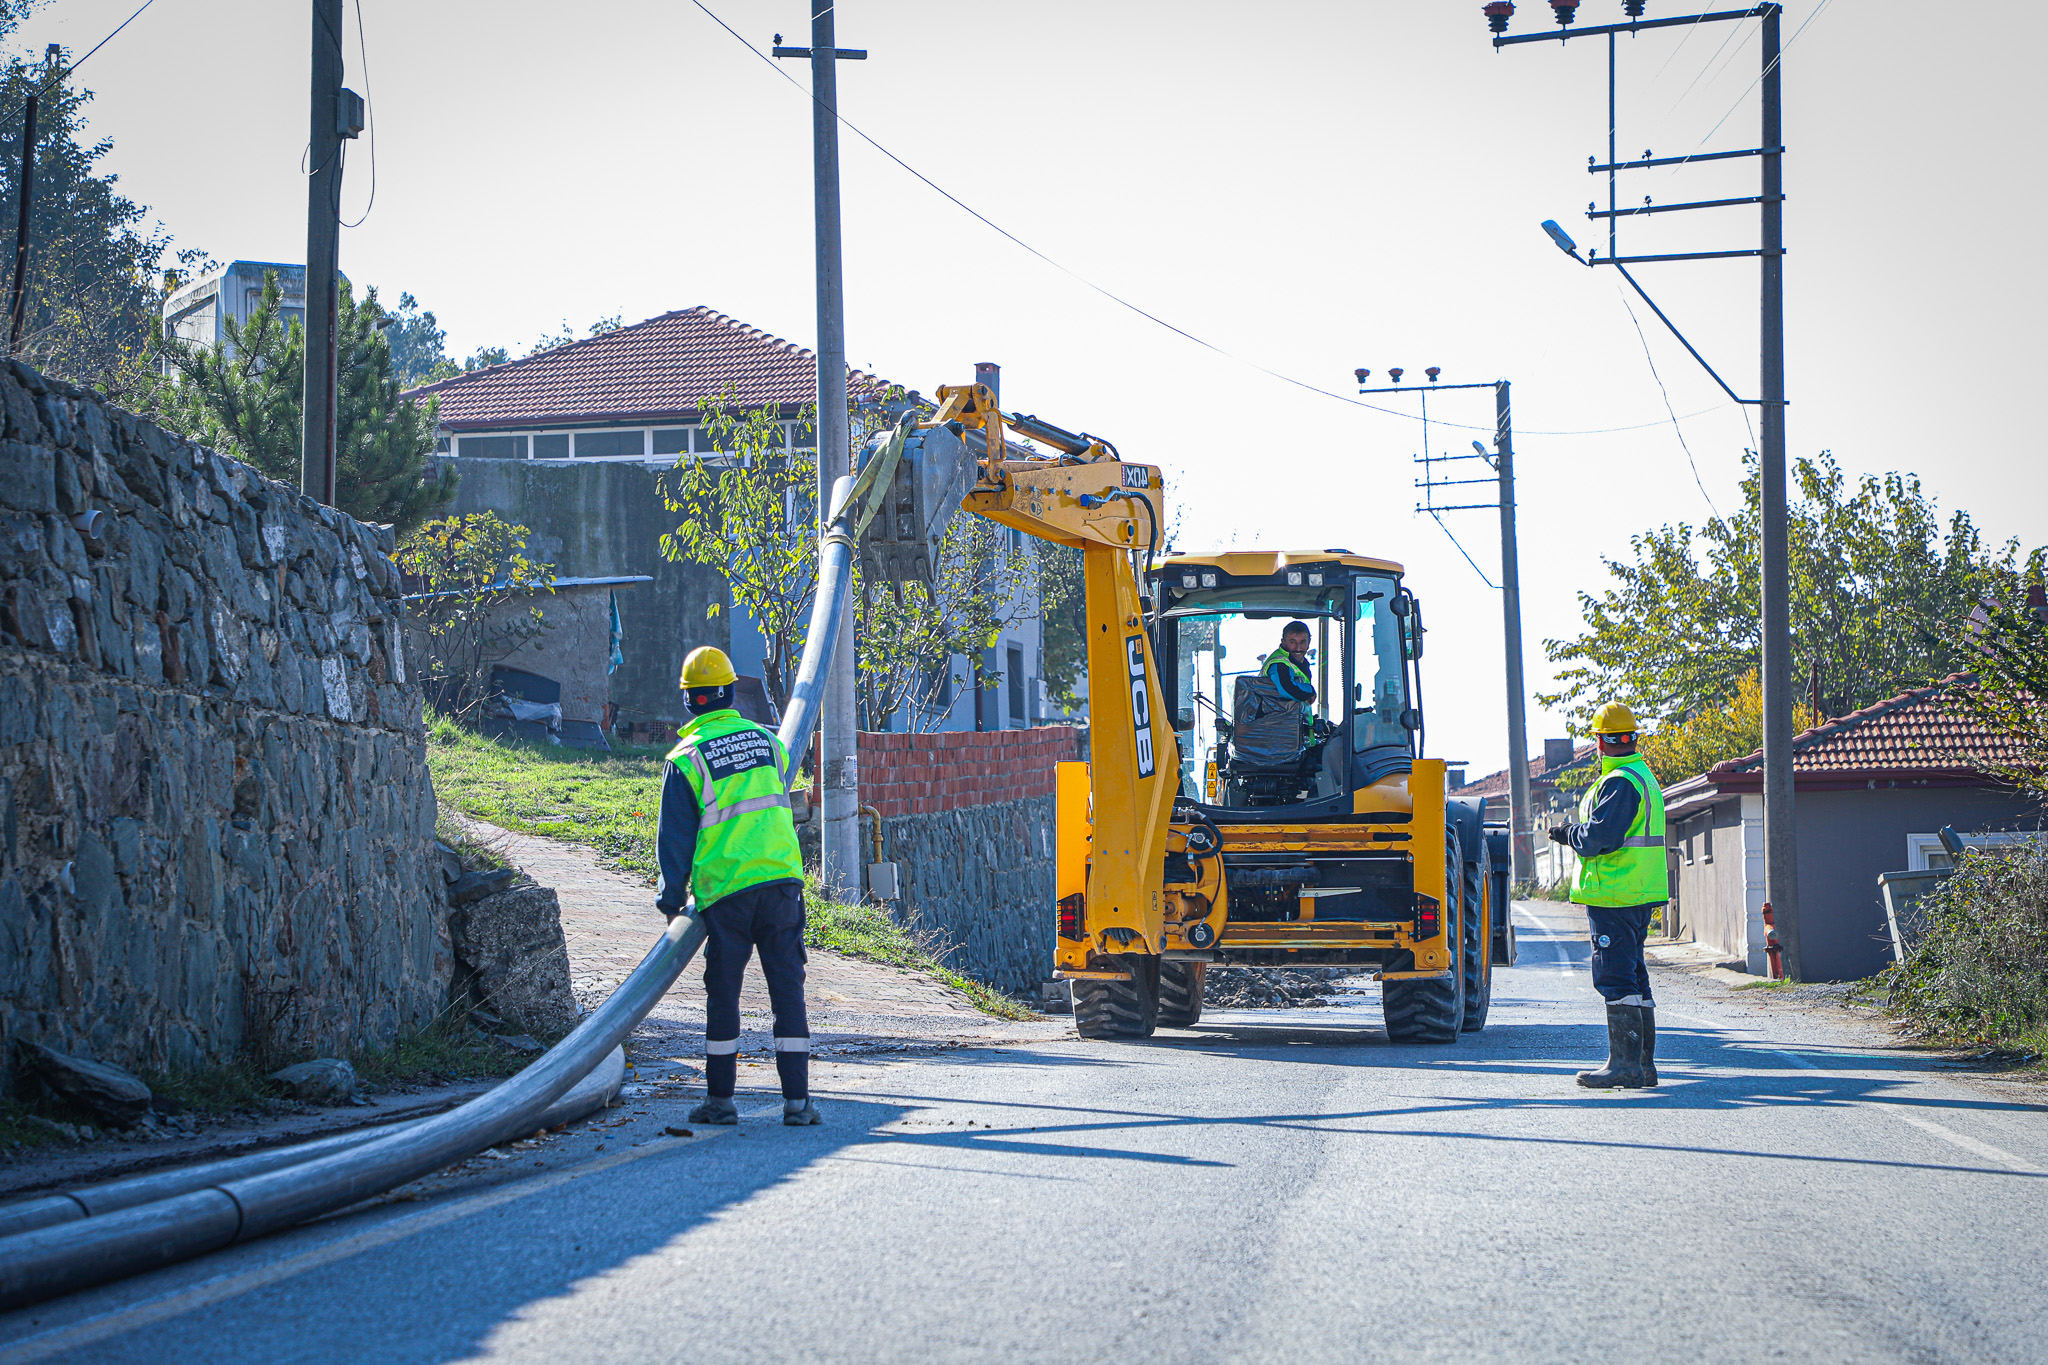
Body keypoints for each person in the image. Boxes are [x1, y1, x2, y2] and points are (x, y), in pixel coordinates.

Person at [657, 646, 819, 1126]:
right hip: (781, 884)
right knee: (787, 991)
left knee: (723, 994)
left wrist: (672, 900)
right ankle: (798, 1104)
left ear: (689, 701)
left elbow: (675, 839)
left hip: (726, 893)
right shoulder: (769, 743)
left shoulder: (684, 759)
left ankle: (721, 1101)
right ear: (729, 693)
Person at [1548, 701, 1668, 1089]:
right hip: (1636, 892)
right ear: (1633, 738)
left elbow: (1599, 839)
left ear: (1599, 743)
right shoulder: (1641, 776)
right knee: (1634, 976)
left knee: (1615, 977)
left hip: (1615, 895)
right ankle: (1642, 1066)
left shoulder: (1619, 783)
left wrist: (1568, 832)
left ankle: (1626, 1067)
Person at [1259, 620, 1318, 721]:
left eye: (1302, 642)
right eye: (1292, 642)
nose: (1298, 648)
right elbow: (1287, 688)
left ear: (1309, 643)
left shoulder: (1298, 663)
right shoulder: (1279, 663)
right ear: (1283, 642)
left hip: (1291, 725)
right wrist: (1310, 691)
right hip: (1274, 728)